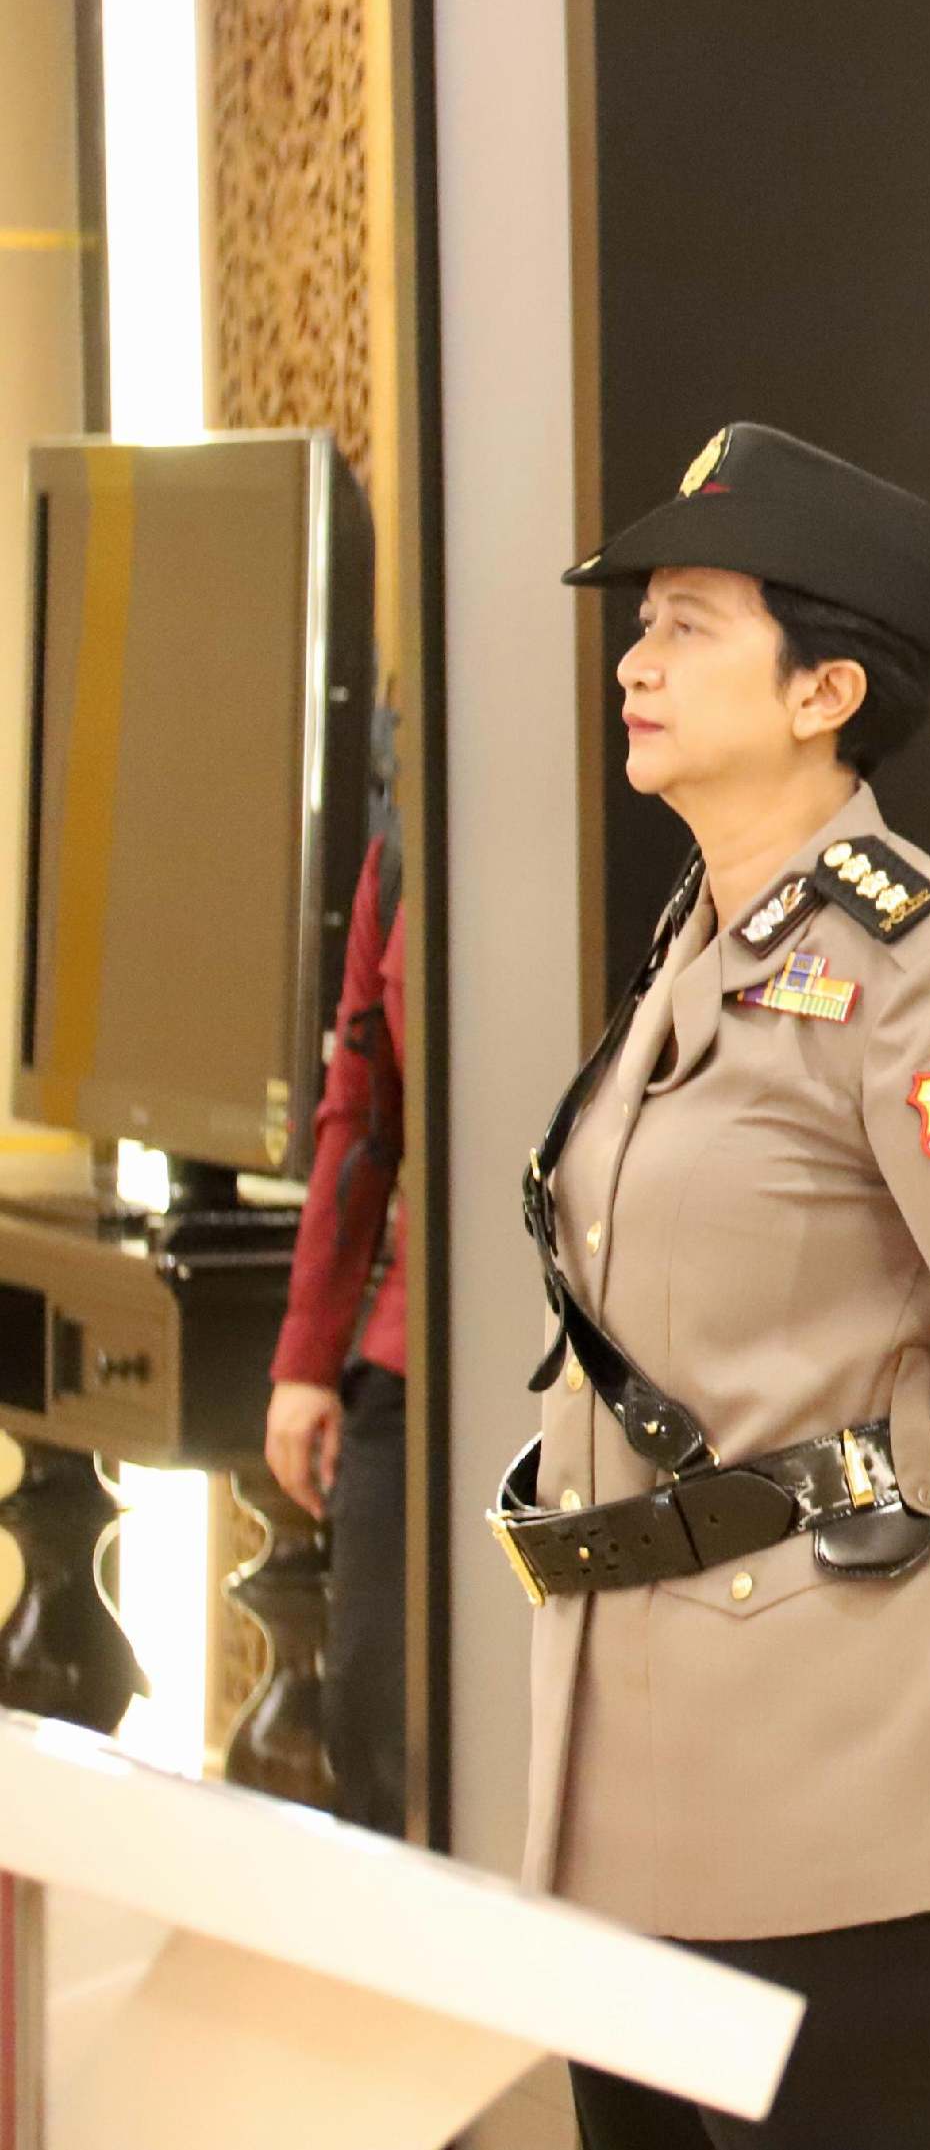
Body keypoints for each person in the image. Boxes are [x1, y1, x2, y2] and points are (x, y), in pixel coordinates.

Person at [496, 422, 930, 2148]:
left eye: (688, 624)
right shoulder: (704, 944)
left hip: (851, 1756)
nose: (635, 663)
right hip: (635, 1749)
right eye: (638, 625)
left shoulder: (918, 966)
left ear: (825, 692)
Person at [261, 753, 409, 1836]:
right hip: (410, 1355)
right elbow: (357, 1112)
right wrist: (307, 1360)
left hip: (602, 1364)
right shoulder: (398, 853)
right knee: (375, 1717)